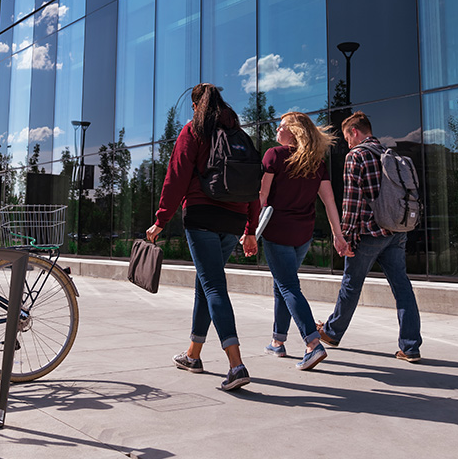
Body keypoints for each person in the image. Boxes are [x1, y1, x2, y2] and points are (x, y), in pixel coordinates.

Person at [147, 83, 260, 391]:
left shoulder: (194, 131)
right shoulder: (239, 135)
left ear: (197, 106)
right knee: (205, 282)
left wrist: (161, 220)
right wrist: (250, 228)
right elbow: (253, 185)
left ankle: (236, 364)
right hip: (234, 221)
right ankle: (193, 355)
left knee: (213, 286)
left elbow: (177, 175)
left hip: (203, 217)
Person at [317, 111, 423, 362]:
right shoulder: (391, 153)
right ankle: (410, 347)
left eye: (347, 137)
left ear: (354, 131)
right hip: (396, 231)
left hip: (369, 233)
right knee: (402, 286)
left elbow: (351, 201)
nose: (347, 143)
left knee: (351, 285)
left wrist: (344, 236)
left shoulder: (357, 155)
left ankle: (332, 333)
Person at [258, 112, 352, 371]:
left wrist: (249, 229)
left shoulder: (274, 156)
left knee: (288, 286)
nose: (277, 131)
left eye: (282, 127)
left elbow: (262, 197)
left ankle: (312, 344)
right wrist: (337, 234)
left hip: (277, 232)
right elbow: (329, 201)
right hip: (303, 235)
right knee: (283, 284)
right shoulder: (316, 163)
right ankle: (277, 341)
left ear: (295, 131)